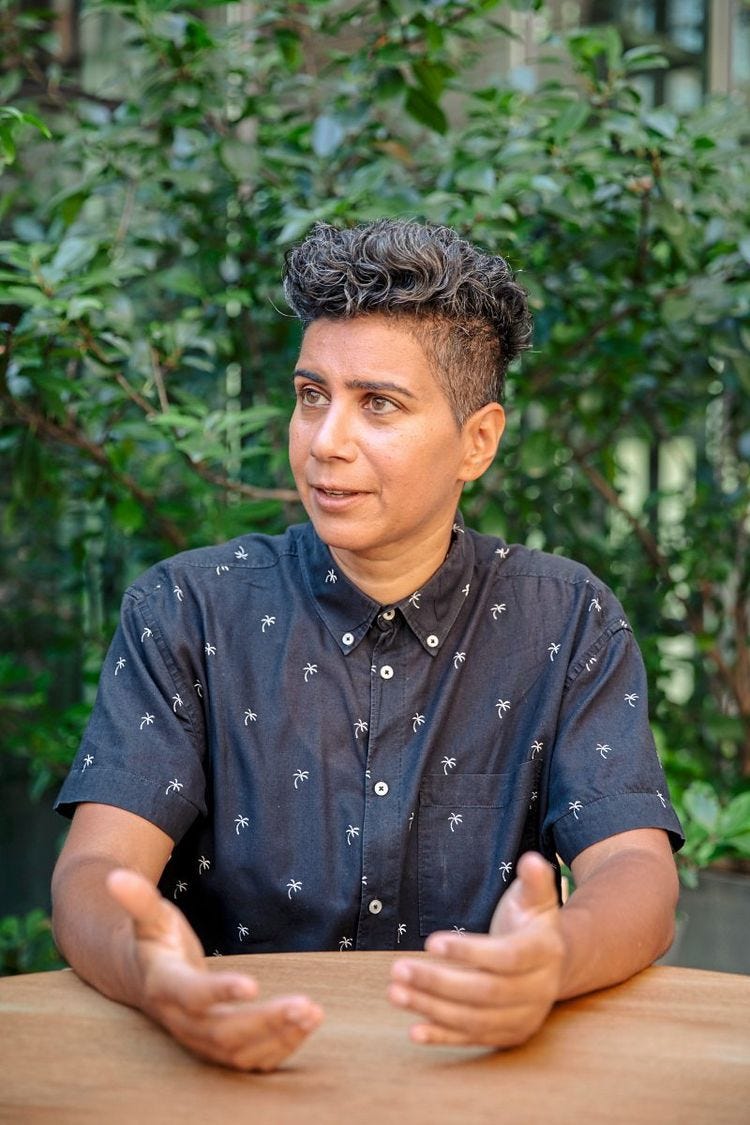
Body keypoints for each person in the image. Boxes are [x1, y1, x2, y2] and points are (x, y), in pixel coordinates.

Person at [51, 219, 683, 1071]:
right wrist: (152, 974)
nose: (326, 440)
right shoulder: (188, 609)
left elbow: (636, 870)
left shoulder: (565, 620)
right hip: (228, 1070)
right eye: (312, 394)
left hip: (473, 1072)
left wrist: (554, 959)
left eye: (377, 403)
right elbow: (94, 870)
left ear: (478, 441)